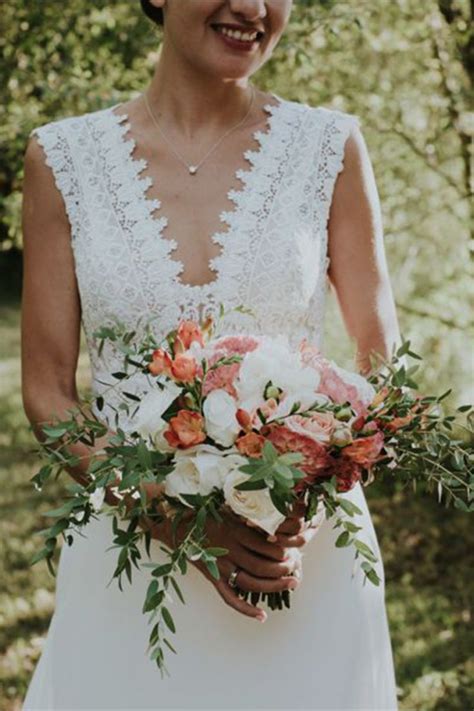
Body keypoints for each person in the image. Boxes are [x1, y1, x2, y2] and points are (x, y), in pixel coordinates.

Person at [21, 1, 399, 708]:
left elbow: (385, 368)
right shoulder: (63, 159)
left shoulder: (331, 147)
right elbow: (47, 390)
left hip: (298, 560)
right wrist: (162, 512)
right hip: (132, 568)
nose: (252, 9)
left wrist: (312, 490)